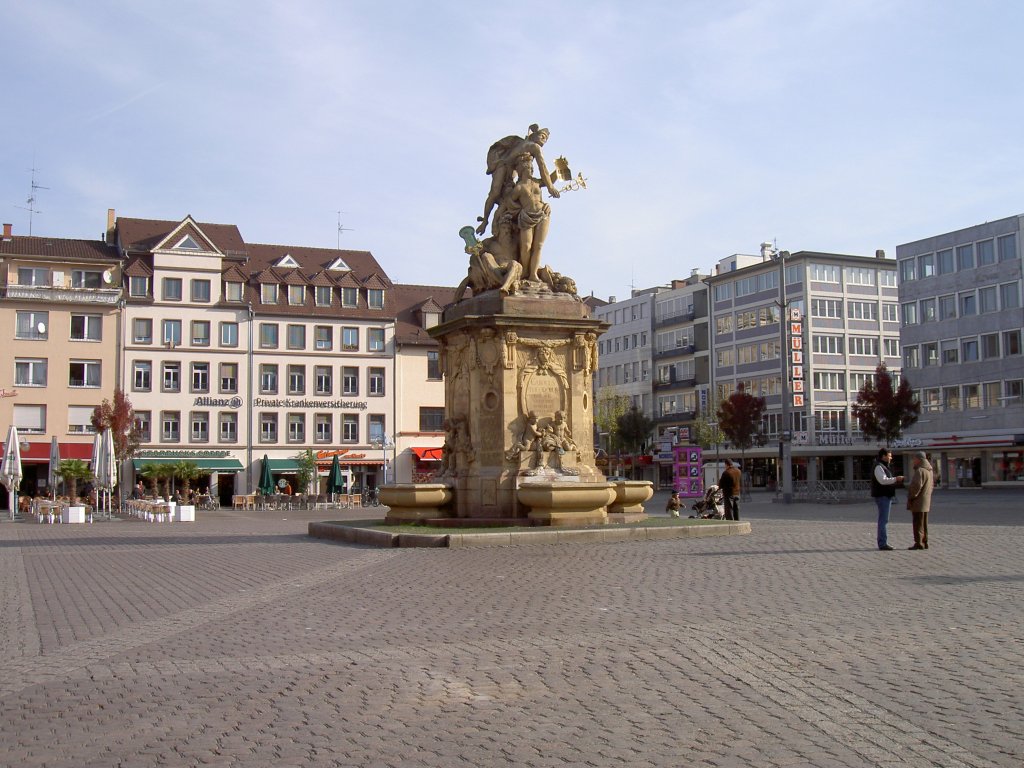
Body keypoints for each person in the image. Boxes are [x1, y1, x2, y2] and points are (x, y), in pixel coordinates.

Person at [870, 448, 904, 551]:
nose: (891, 457)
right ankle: (882, 543)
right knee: (883, 520)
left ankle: (883, 542)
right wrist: (896, 479)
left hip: (886, 495)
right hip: (882, 496)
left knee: (884, 519)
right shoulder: (879, 466)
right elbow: (883, 481)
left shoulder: (884, 466)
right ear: (883, 456)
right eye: (889, 455)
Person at [906, 451, 933, 550]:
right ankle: (925, 541)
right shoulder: (929, 471)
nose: (913, 461)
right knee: (924, 523)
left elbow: (916, 486)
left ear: (919, 459)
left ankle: (919, 543)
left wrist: (911, 496)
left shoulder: (920, 471)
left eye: (915, 459)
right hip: (926, 501)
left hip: (918, 502)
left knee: (917, 523)